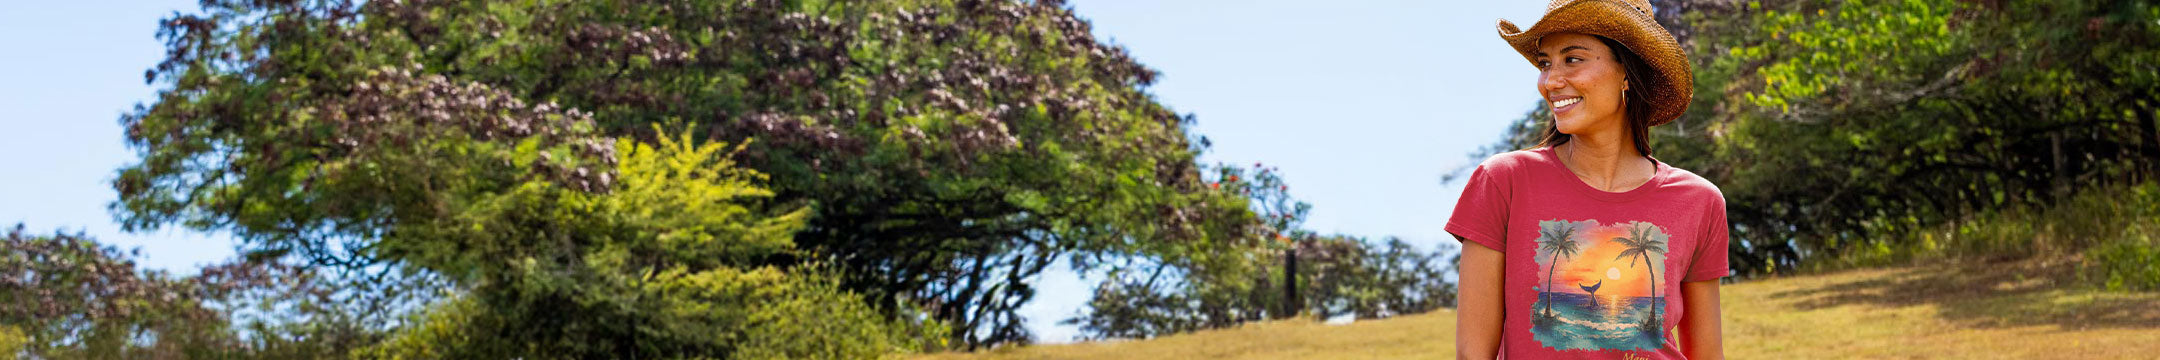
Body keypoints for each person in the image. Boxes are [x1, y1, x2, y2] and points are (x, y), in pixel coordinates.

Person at [1449, 0, 1728, 358]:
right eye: (1545, 63)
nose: (1551, 81)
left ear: (1627, 71)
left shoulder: (1699, 201)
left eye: (1573, 59)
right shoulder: (1505, 182)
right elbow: (1472, 354)